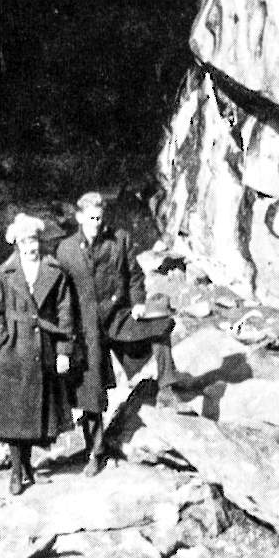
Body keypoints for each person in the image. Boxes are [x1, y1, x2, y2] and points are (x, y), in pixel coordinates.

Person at [56, 191, 191, 476]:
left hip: (118, 317)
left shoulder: (120, 239)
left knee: (160, 327)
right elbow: (61, 296)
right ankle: (96, 451)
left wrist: (139, 302)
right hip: (86, 330)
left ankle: (167, 388)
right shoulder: (66, 250)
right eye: (91, 218)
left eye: (100, 217)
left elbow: (135, 275)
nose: (96, 223)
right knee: (89, 394)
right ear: (79, 218)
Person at [0, 213, 75, 495]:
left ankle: (27, 465)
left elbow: (64, 314)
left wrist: (63, 351)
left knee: (36, 414)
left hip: (42, 349)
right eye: (24, 241)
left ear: (40, 241)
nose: (30, 246)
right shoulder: (5, 274)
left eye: (33, 240)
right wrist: (2, 336)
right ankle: (17, 472)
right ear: (16, 244)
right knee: (12, 416)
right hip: (11, 352)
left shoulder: (54, 271)